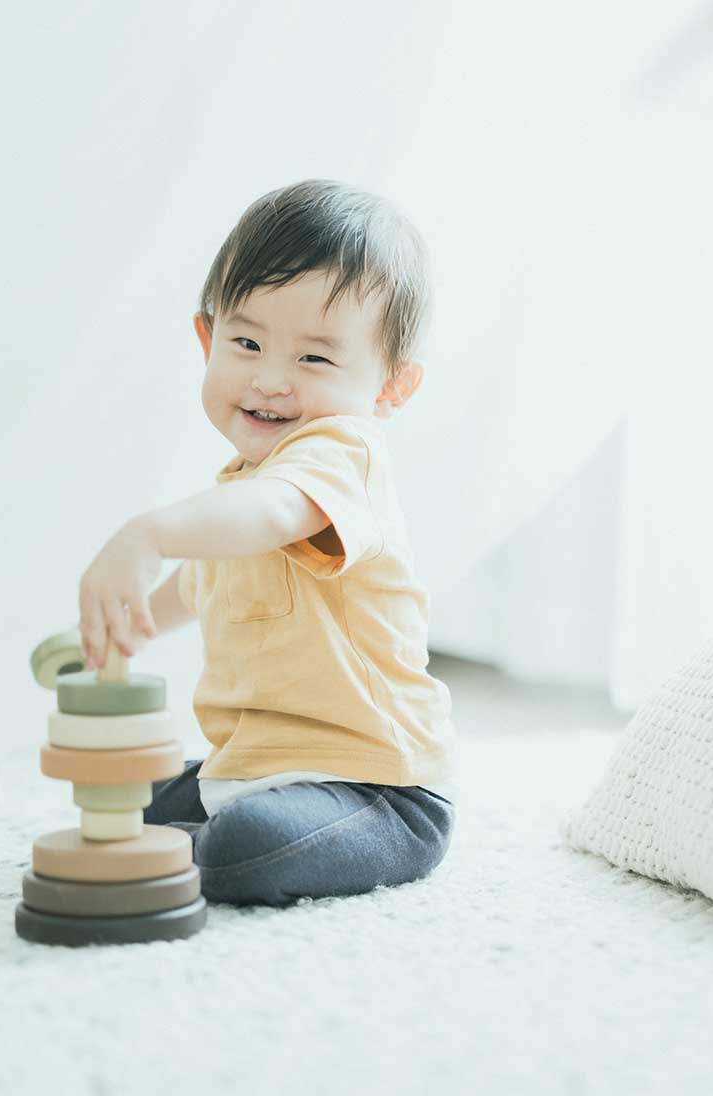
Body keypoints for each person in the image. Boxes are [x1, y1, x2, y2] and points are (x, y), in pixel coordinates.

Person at [75, 178, 456, 905]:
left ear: (390, 389)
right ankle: (206, 822)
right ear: (206, 339)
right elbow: (206, 582)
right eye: (246, 343)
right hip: (250, 769)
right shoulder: (245, 484)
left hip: (377, 787)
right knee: (120, 797)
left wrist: (147, 533)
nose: (271, 379)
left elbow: (275, 514)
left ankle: (215, 843)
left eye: (315, 359)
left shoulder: (341, 456)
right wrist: (128, 622)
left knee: (241, 849)